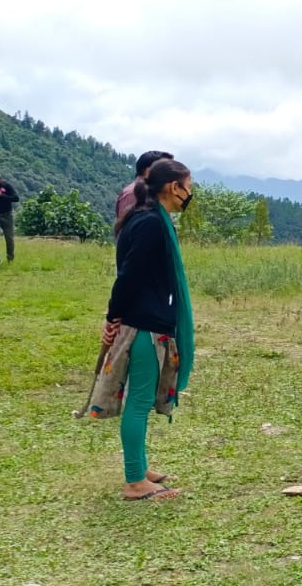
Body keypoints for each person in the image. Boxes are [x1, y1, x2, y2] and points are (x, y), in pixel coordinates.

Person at [98, 159, 197, 501]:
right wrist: (113, 317)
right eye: (189, 186)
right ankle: (134, 482)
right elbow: (129, 276)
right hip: (144, 325)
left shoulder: (149, 218)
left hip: (146, 319)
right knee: (138, 403)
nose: (190, 193)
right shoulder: (151, 223)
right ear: (174, 187)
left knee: (139, 401)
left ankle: (139, 467)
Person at [117, 150, 174, 223]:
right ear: (149, 171)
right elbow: (128, 229)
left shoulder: (155, 194)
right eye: (165, 169)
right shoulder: (132, 194)